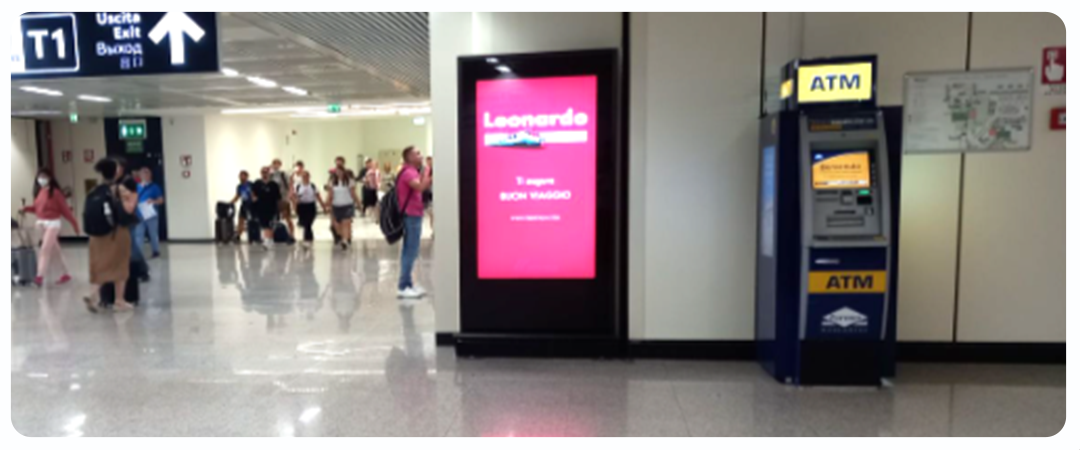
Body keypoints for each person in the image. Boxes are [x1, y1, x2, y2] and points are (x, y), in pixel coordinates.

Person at [83, 158, 139, 313]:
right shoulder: (119, 190)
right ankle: (119, 300)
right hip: (116, 233)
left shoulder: (94, 191)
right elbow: (129, 208)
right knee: (120, 265)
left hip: (96, 236)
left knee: (100, 265)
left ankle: (93, 294)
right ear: (116, 172)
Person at [21, 168, 80, 286]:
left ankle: (39, 276)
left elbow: (65, 211)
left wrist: (75, 224)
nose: (41, 179)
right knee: (54, 250)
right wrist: (26, 209)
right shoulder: (40, 192)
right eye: (40, 177)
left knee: (45, 249)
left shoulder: (56, 193)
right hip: (41, 224)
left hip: (53, 224)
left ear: (50, 178)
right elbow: (37, 209)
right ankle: (65, 273)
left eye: (44, 176)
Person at [396, 146, 432, 299]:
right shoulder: (408, 172)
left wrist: (424, 173)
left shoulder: (411, 171)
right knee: (410, 251)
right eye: (417, 153)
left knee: (411, 250)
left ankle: (408, 283)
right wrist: (428, 172)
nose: (421, 156)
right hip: (411, 215)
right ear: (409, 157)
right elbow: (421, 187)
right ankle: (403, 286)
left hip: (414, 214)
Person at [327, 166, 361, 251]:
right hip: (336, 205)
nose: (339, 173)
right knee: (337, 225)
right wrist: (327, 204)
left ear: (344, 172)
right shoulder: (332, 182)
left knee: (345, 223)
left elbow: (353, 193)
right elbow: (330, 194)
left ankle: (345, 241)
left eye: (341, 171)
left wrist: (358, 203)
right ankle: (342, 237)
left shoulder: (349, 181)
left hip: (347, 205)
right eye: (337, 172)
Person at [133, 167, 165, 258]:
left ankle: (156, 251)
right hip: (139, 214)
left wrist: (153, 201)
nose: (145, 175)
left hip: (151, 214)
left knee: (153, 233)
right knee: (139, 234)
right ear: (140, 175)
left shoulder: (155, 187)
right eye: (143, 173)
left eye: (147, 173)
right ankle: (138, 253)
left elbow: (161, 200)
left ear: (150, 175)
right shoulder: (136, 187)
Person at [291, 170, 325, 249]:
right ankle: (307, 240)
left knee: (308, 223)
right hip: (302, 206)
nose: (305, 177)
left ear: (309, 177)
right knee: (306, 224)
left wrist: (323, 206)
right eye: (303, 176)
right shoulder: (298, 186)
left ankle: (307, 239)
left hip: (311, 206)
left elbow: (318, 196)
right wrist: (294, 205)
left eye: (306, 176)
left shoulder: (313, 186)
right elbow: (294, 197)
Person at [251, 166, 282, 250]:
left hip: (271, 207)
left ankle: (268, 240)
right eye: (263, 172)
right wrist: (254, 198)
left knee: (270, 224)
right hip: (261, 207)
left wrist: (279, 209)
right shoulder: (257, 183)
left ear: (269, 173)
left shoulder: (274, 184)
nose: (264, 174)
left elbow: (278, 198)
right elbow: (253, 193)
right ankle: (268, 240)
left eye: (266, 172)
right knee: (264, 224)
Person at [270, 158, 295, 239]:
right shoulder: (271, 175)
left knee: (287, 218)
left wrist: (289, 197)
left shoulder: (283, 174)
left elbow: (290, 185)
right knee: (274, 219)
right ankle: (274, 235)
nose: (275, 165)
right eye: (274, 163)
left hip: (283, 199)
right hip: (273, 200)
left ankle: (292, 235)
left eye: (277, 163)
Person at [229, 170, 254, 242]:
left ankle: (253, 236)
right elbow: (237, 196)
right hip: (244, 205)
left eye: (243, 176)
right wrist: (231, 203)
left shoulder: (251, 184)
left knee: (251, 221)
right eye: (240, 176)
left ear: (246, 176)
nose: (241, 177)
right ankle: (238, 236)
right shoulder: (239, 186)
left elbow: (254, 194)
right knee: (240, 220)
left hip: (251, 205)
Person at [423, 156, 434, 232]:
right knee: (430, 212)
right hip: (428, 192)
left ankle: (433, 229)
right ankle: (432, 229)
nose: (429, 163)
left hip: (432, 191)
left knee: (432, 213)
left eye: (430, 161)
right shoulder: (426, 170)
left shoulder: (434, 169)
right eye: (427, 161)